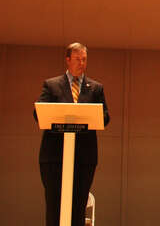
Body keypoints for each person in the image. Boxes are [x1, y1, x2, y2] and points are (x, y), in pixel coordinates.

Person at [35, 42, 110, 226]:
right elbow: (39, 113)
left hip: (84, 157)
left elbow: (105, 117)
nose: (81, 63)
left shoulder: (95, 88)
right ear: (68, 60)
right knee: (54, 206)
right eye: (77, 59)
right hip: (54, 156)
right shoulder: (52, 85)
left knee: (78, 206)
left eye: (84, 59)